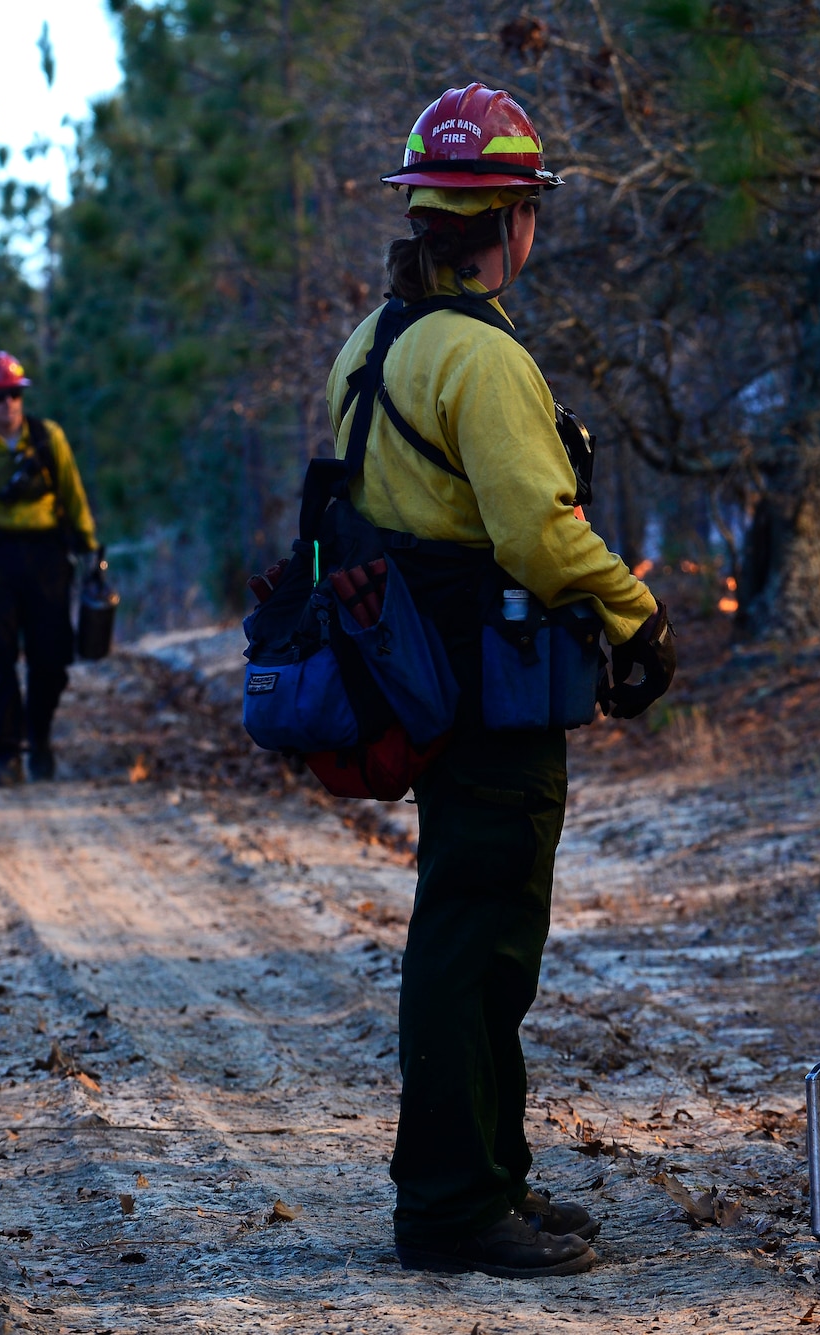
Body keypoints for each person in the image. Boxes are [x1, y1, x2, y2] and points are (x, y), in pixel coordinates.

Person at [327, 83, 673, 1280]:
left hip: (418, 684)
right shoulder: (477, 357)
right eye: (530, 208)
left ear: (426, 211)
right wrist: (639, 614)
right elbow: (537, 535)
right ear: (514, 217)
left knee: (470, 934)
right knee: (479, 941)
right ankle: (452, 1210)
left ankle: (489, 1180)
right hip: (488, 692)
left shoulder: (371, 344)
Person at [0, 350, 100, 787]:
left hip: (47, 556)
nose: (5, 405)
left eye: (12, 394)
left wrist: (90, 552)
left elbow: (74, 495)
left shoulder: (50, 439)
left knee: (51, 658)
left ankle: (39, 736)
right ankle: (7, 755)